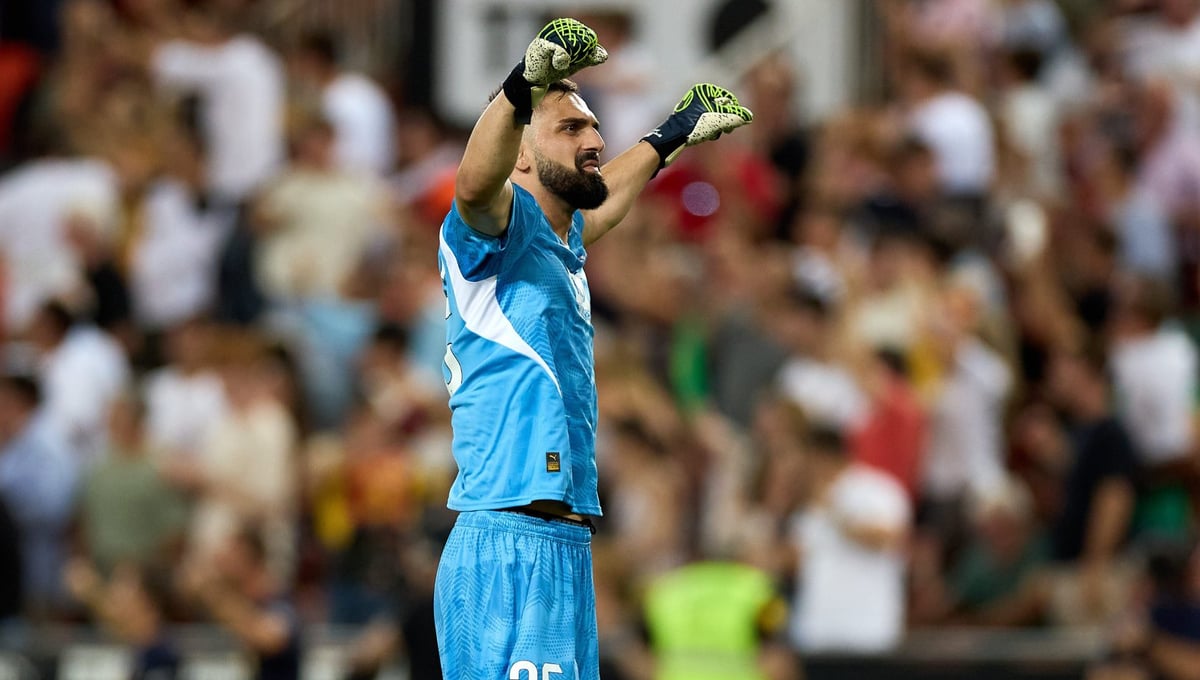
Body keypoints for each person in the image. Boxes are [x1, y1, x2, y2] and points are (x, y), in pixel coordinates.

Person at [434, 17, 752, 680]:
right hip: (510, 543)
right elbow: (472, 185)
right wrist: (522, 86)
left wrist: (672, 133)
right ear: (521, 154)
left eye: (595, 128)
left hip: (563, 543)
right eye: (571, 128)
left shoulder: (560, 245)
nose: (596, 141)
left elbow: (606, 203)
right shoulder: (489, 236)